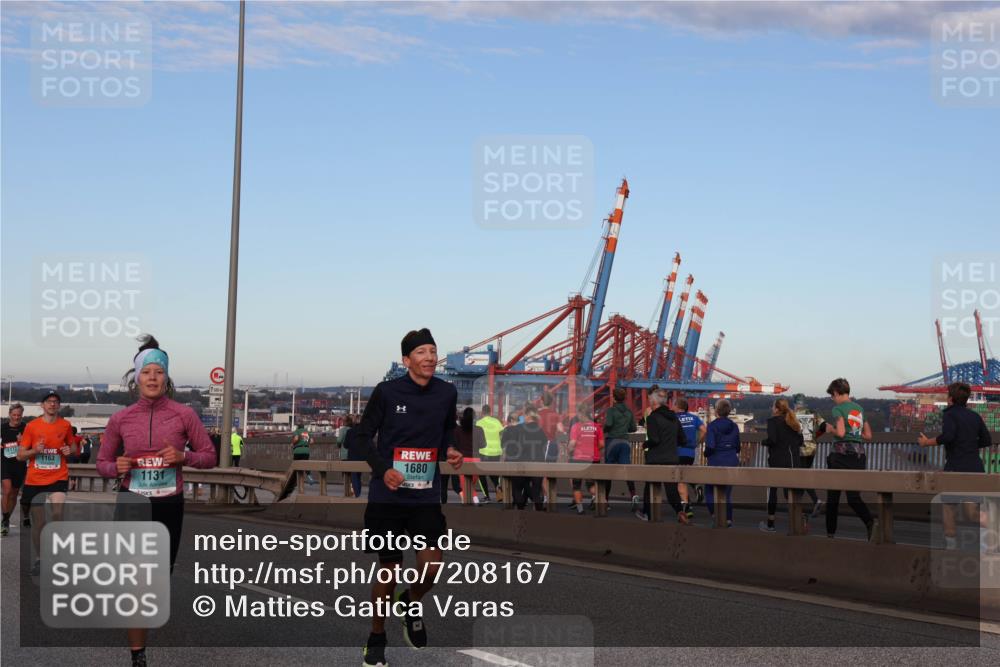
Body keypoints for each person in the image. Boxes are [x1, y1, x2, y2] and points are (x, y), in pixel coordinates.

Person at [97, 335, 216, 667]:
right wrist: (114, 466)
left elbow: (210, 456)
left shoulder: (184, 415)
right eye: (146, 372)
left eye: (158, 372)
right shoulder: (121, 419)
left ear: (166, 378)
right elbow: (102, 463)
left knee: (156, 581)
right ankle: (138, 655)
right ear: (137, 379)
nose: (152, 377)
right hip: (132, 501)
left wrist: (184, 456)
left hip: (168, 504)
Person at [349, 329, 463, 667]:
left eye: (433, 351)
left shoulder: (447, 392)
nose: (429, 357)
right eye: (422, 352)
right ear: (406, 360)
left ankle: (411, 601)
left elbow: (445, 432)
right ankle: (376, 637)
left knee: (431, 566)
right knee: (389, 569)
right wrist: (384, 468)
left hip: (426, 493)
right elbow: (360, 437)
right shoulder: (387, 392)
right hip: (389, 494)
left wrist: (452, 449)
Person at [918, 382, 993, 551]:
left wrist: (926, 442)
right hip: (975, 468)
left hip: (956, 469)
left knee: (949, 507)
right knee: (973, 512)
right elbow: (987, 440)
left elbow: (948, 436)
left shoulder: (950, 415)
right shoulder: (974, 416)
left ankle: (951, 547)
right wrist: (968, 446)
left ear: (950, 399)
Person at [17, 391, 77, 571]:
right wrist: (35, 451)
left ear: (59, 406)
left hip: (58, 476)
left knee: (58, 514)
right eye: (49, 402)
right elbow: (20, 455)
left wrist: (69, 450)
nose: (52, 404)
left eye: (56, 402)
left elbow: (73, 446)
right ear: (42, 405)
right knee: (39, 522)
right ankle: (41, 558)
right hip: (35, 479)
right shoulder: (32, 427)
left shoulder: (65, 425)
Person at [823, 378, 876, 541]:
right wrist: (853, 434)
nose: (833, 399)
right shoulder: (859, 409)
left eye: (832, 395)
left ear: (837, 393)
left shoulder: (838, 409)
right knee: (853, 497)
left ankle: (830, 535)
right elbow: (868, 436)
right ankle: (870, 523)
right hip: (858, 456)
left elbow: (839, 433)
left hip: (840, 456)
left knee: (833, 498)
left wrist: (829, 428)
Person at [637, 389, 688, 524]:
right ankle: (679, 511)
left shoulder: (653, 417)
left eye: (650, 401)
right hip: (672, 458)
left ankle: (647, 513)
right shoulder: (674, 417)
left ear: (654, 402)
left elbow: (654, 439)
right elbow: (683, 440)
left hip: (656, 459)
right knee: (671, 490)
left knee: (650, 487)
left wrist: (644, 445)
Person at [759, 399, 805, 533]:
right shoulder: (793, 421)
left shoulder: (772, 422)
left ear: (777, 409)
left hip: (777, 461)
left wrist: (764, 442)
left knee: (773, 491)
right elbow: (800, 440)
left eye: (773, 406)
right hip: (793, 461)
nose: (772, 408)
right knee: (790, 493)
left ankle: (771, 524)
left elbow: (773, 440)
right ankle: (797, 523)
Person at [704, 399, 741, 527]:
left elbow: (710, 446)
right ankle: (728, 519)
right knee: (727, 493)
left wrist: (706, 454)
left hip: (716, 461)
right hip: (731, 461)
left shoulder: (712, 426)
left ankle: (715, 515)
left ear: (716, 411)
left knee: (709, 490)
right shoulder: (734, 426)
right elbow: (737, 447)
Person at [503, 404, 547, 510]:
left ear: (527, 415)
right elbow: (544, 445)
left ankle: (521, 510)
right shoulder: (540, 430)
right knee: (536, 490)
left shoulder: (518, 428)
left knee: (517, 488)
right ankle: (539, 510)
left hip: (521, 463)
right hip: (538, 463)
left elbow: (512, 447)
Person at [603, 387, 639, 511]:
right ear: (624, 398)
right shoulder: (629, 412)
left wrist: (604, 431)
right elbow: (633, 428)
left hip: (612, 441)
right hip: (625, 442)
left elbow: (608, 424)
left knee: (607, 472)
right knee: (626, 470)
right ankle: (633, 494)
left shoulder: (611, 411)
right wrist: (624, 429)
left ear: (614, 398)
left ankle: (605, 500)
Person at [674, 396, 706, 520]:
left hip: (678, 452)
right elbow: (704, 430)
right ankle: (696, 485)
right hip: (690, 453)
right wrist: (698, 442)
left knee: (681, 482)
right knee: (687, 474)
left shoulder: (674, 418)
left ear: (678, 407)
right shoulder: (694, 417)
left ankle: (687, 508)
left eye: (674, 405)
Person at [568, 403, 603, 515]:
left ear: (580, 413)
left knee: (577, 485)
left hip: (578, 459)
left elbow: (572, 444)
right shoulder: (597, 426)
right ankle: (600, 501)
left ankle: (580, 509)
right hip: (594, 459)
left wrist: (569, 451)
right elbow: (602, 444)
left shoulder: (576, 426)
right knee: (591, 484)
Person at [1, 403, 28, 536]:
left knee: (14, 493)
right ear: (10, 415)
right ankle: (5, 521)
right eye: (14, 415)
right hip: (5, 463)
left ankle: (6, 518)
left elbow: (33, 445)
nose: (16, 418)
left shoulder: (26, 428)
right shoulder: (2, 428)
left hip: (20, 464)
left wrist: (23, 442)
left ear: (22, 415)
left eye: (19, 415)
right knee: (7, 489)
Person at [475, 404, 504, 502]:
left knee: (481, 474)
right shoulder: (497, 422)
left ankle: (487, 496)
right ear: (490, 412)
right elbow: (502, 435)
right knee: (495, 475)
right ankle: (499, 495)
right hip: (496, 452)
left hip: (484, 452)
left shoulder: (478, 423)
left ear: (482, 413)